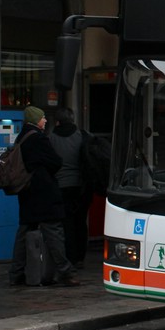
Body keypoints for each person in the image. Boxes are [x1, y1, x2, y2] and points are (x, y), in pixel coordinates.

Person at [8, 106, 80, 287]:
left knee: (24, 232)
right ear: (35, 120)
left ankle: (15, 273)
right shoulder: (39, 138)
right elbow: (56, 161)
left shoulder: (22, 138)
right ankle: (65, 271)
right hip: (44, 194)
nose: (45, 120)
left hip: (27, 193)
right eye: (42, 118)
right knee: (54, 232)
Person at [48, 107, 90, 268]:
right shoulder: (82, 135)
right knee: (80, 221)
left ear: (57, 121)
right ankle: (80, 257)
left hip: (59, 186)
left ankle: (68, 256)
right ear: (72, 119)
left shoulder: (51, 138)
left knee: (65, 224)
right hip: (80, 187)